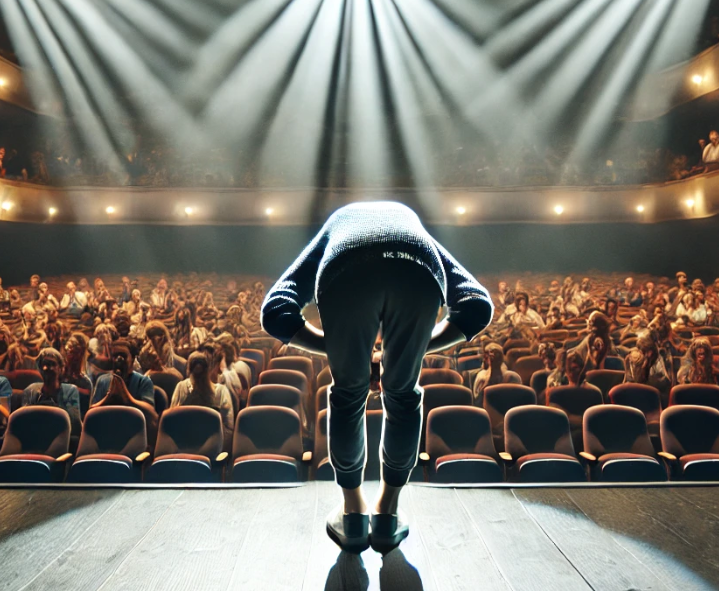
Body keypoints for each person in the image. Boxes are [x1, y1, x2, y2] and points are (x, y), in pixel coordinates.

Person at [261, 201, 492, 554]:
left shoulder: (338, 223)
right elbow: (477, 304)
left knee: (348, 394)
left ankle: (353, 513)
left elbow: (276, 309)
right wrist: (409, 349)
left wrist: (341, 348)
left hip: (345, 268)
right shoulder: (411, 227)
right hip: (418, 268)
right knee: (401, 395)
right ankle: (387, 513)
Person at [169, 350, 234, 440]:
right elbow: (228, 429)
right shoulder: (221, 392)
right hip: (210, 447)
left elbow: (171, 421)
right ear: (208, 371)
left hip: (186, 445)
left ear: (188, 371)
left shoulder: (181, 387)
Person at [21, 348, 83, 426]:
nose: (47, 368)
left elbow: (74, 422)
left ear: (61, 369)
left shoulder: (70, 391)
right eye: (44, 364)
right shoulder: (31, 390)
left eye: (52, 364)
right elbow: (23, 420)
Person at [90, 338, 156, 409]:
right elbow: (92, 410)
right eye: (115, 356)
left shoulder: (143, 382)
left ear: (133, 359)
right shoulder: (103, 380)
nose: (118, 360)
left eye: (123, 356)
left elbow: (150, 411)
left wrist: (127, 397)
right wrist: (109, 396)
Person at [471, 342, 521, 407]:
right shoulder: (514, 377)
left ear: (485, 358)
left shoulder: (479, 376)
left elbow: (478, 404)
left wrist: (491, 376)